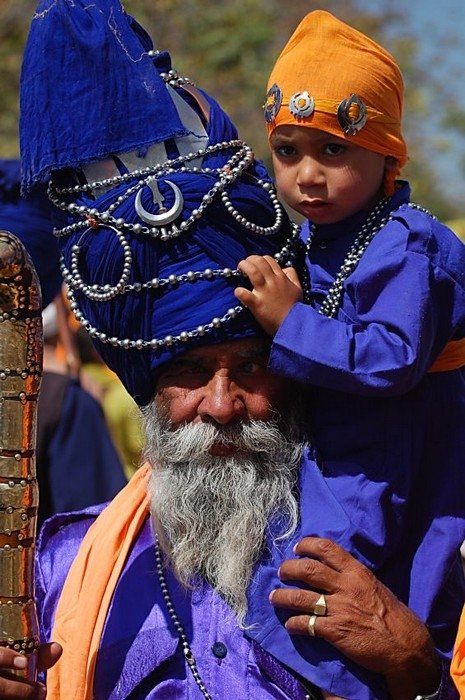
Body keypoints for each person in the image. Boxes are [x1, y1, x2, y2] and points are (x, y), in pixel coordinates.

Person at [2, 1, 460, 697]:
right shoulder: (56, 571)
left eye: (251, 366)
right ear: (145, 392)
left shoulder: (397, 545)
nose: (222, 405)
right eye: (187, 372)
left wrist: (410, 665)